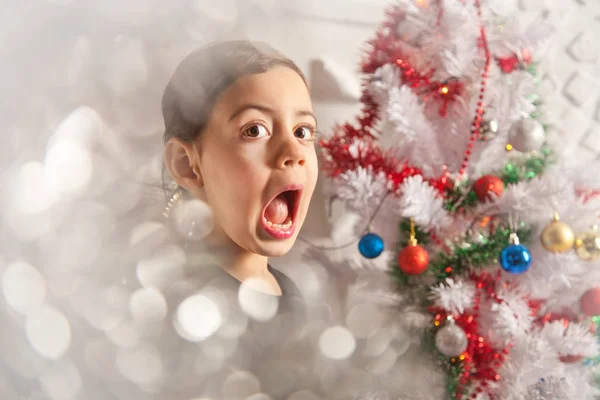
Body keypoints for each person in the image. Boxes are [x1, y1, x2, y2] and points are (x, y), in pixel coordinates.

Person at [162, 40, 318, 298]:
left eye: (302, 131)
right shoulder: (187, 302)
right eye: (254, 130)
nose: (294, 153)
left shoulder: (289, 293)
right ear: (186, 165)